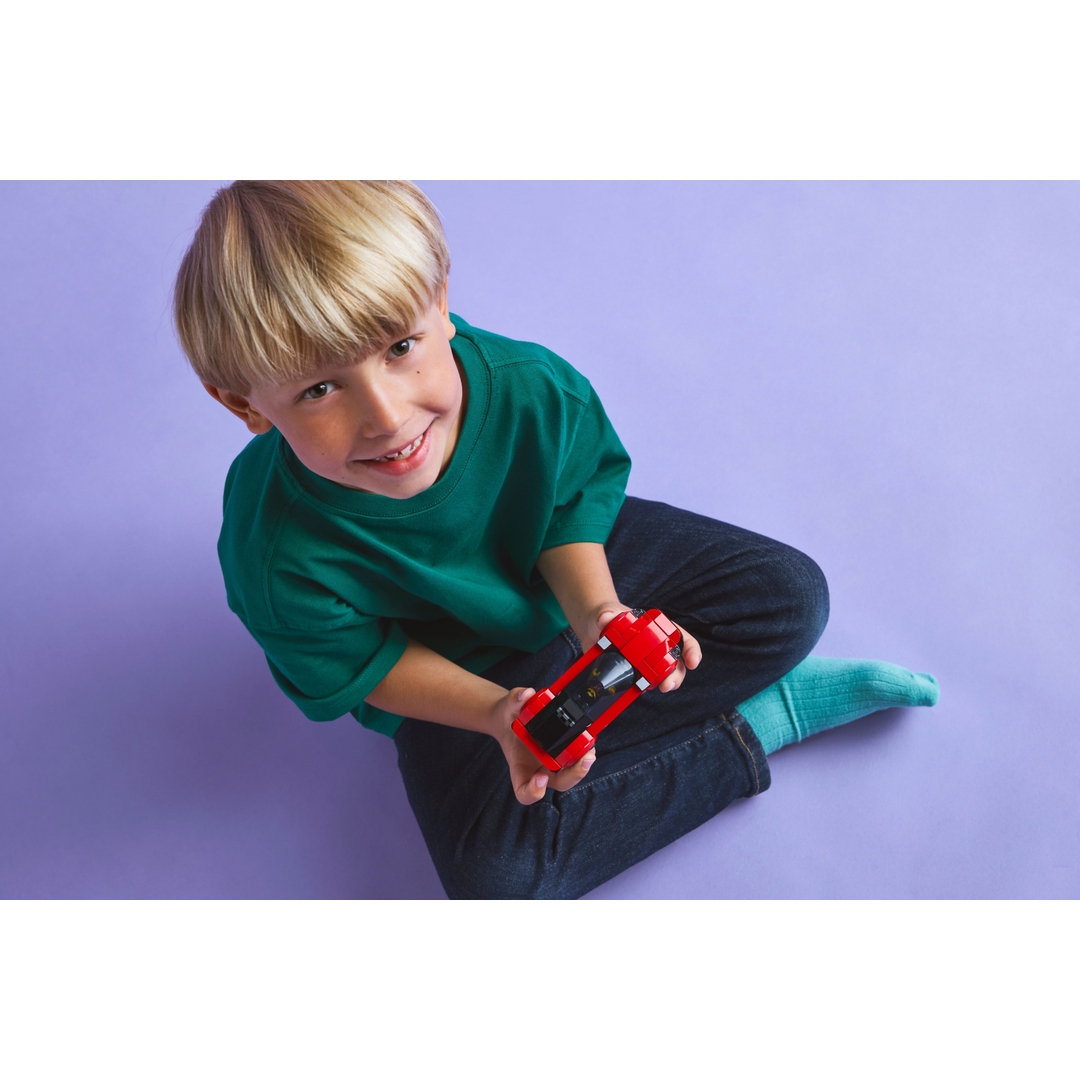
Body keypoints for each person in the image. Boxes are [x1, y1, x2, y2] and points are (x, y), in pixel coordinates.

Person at [173, 181, 939, 899]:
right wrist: (499, 714)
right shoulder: (272, 549)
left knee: (789, 596)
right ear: (245, 405)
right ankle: (763, 723)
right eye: (319, 390)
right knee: (497, 883)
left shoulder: (531, 386)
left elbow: (569, 507)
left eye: (400, 348)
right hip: (455, 676)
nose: (386, 417)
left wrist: (600, 615)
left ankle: (607, 731)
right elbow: (363, 665)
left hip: (564, 572)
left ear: (440, 303)